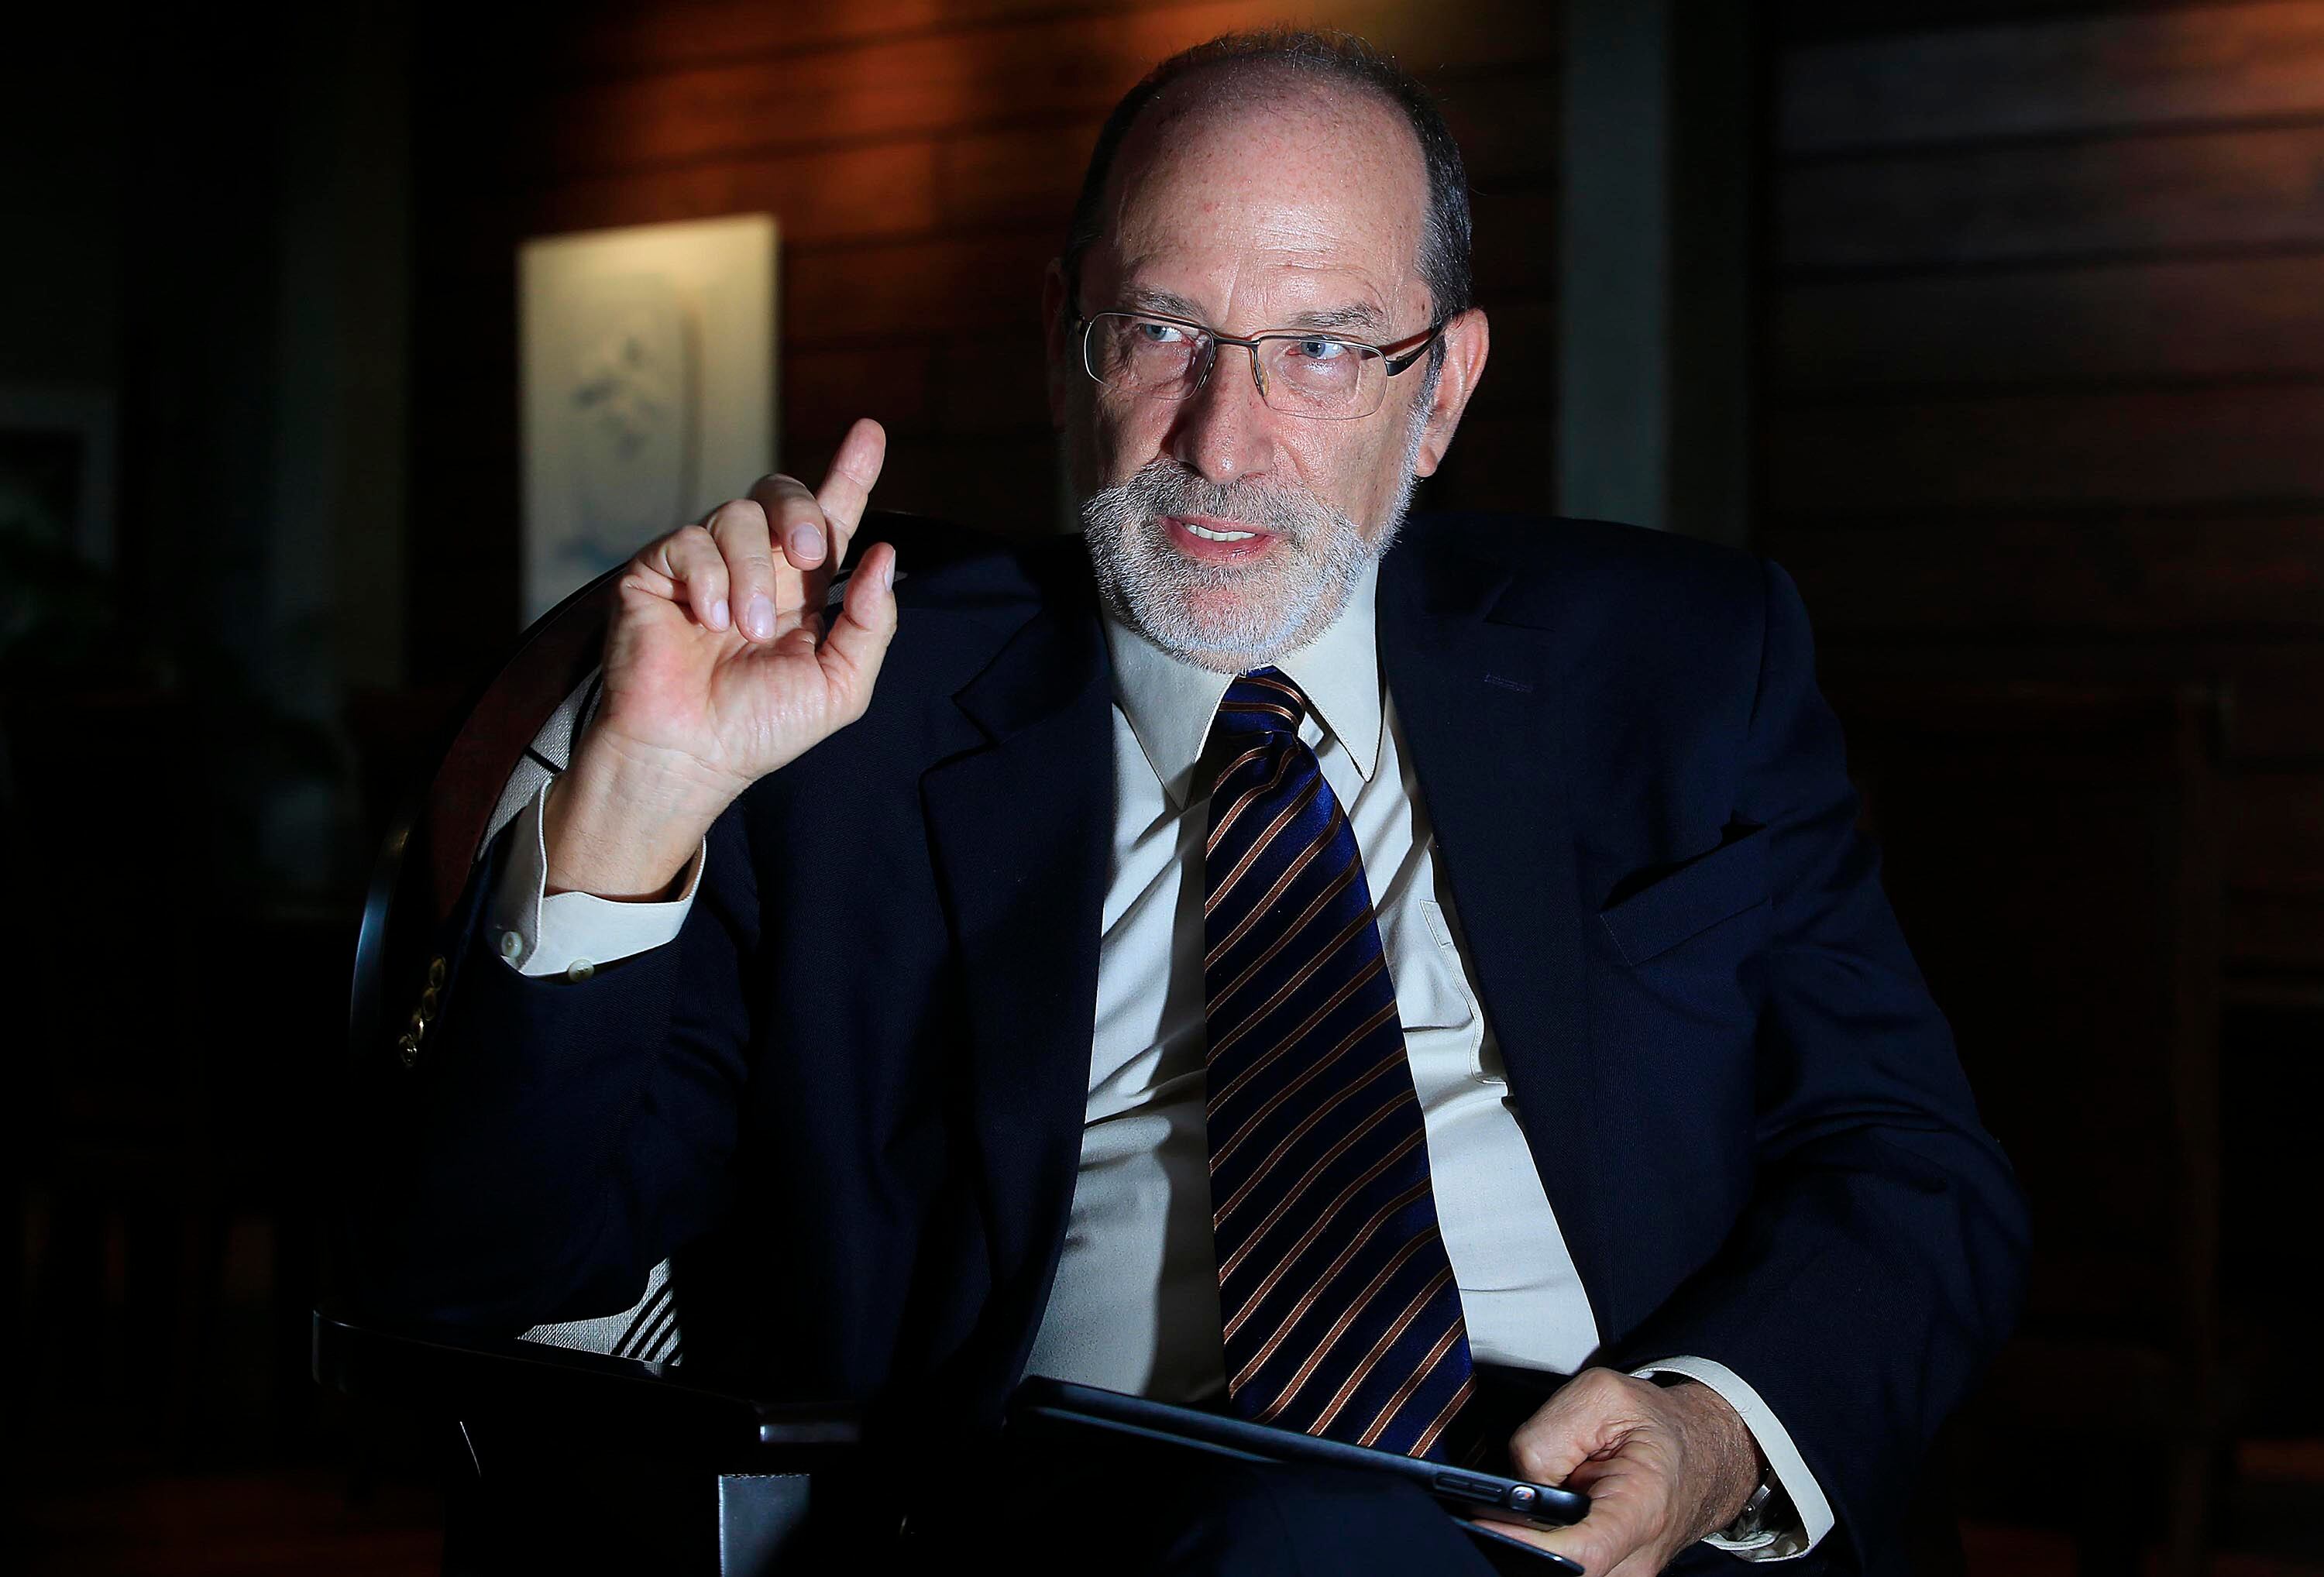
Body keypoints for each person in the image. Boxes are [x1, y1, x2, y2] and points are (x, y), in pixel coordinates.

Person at [353, 30, 2027, 1576]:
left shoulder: (1679, 665)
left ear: (1440, 389)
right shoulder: (849, 721)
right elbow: (488, 1285)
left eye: (1322, 349)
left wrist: (1715, 1433)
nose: (1224, 443)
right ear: (1063, 343)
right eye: (1163, 333)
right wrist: (635, 802)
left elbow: (1907, 1162)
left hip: (1613, 1534)